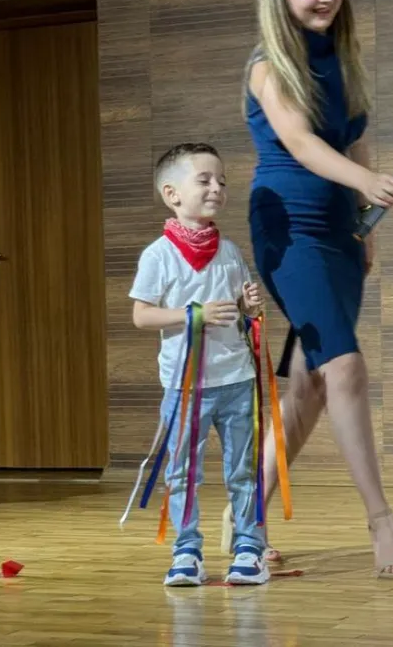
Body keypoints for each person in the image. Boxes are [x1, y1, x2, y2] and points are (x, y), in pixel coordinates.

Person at [225, 0, 393, 579]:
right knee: (347, 369)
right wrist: (365, 183)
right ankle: (381, 522)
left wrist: (365, 225)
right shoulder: (267, 66)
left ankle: (245, 519)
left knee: (305, 385)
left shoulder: (341, 57)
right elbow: (303, 147)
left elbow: (353, 142)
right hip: (289, 231)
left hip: (337, 233)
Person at [130, 142, 269, 587]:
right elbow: (142, 314)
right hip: (184, 387)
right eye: (204, 180)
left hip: (236, 379)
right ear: (172, 194)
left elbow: (244, 313)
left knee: (242, 468)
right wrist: (196, 314)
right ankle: (186, 550)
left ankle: (250, 546)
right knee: (182, 471)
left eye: (222, 181)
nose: (216, 188)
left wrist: (250, 307)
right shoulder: (158, 255)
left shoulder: (229, 250)